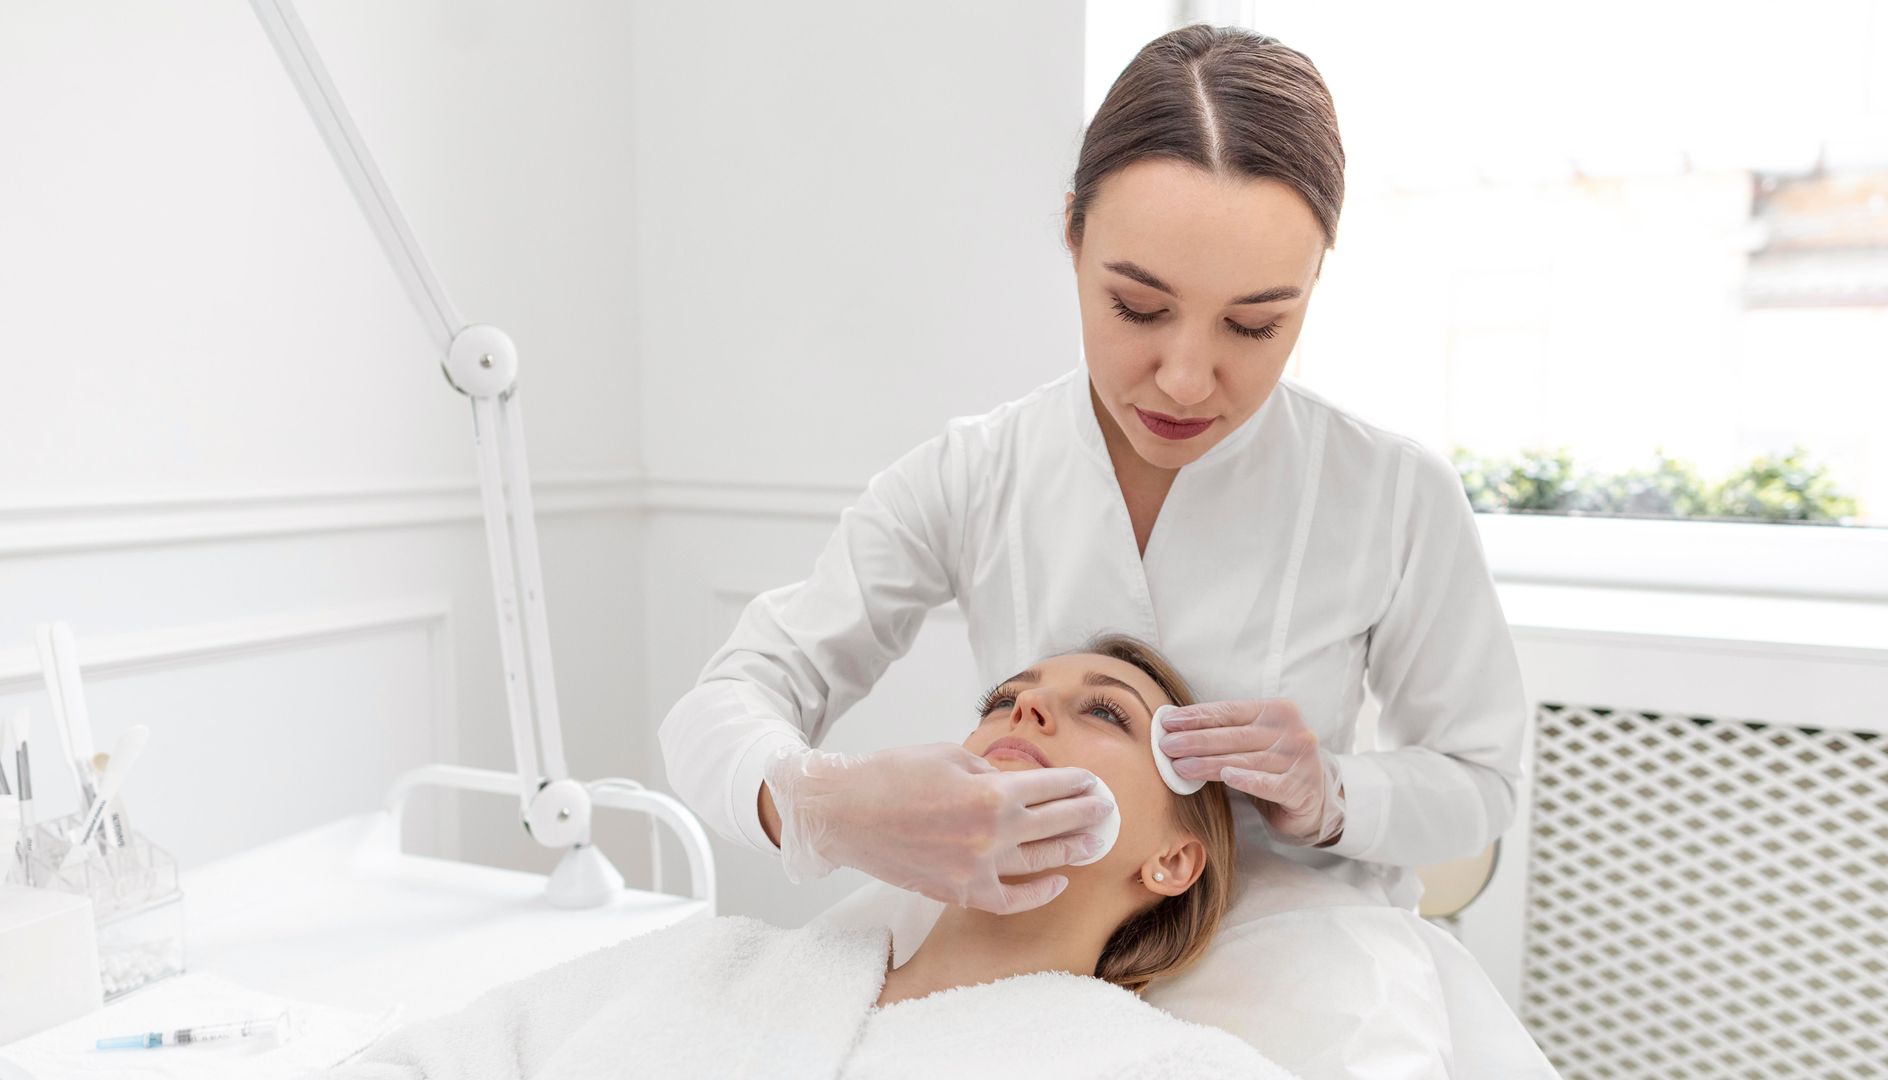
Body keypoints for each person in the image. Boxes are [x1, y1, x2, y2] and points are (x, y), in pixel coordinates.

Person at [659, 22, 1527, 922]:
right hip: (1036, 953)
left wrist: (1334, 794)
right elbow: (726, 701)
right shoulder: (974, 476)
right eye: (1138, 306)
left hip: (1302, 958)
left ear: (1313, 282)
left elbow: (1481, 781)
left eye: (1255, 324)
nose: (1187, 380)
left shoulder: (1393, 494)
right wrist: (823, 808)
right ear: (1073, 235)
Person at [317, 636, 1292, 1080]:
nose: (1024, 710)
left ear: (1173, 860)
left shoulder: (1166, 1065)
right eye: (1006, 695)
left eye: (1105, 712)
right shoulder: (720, 959)